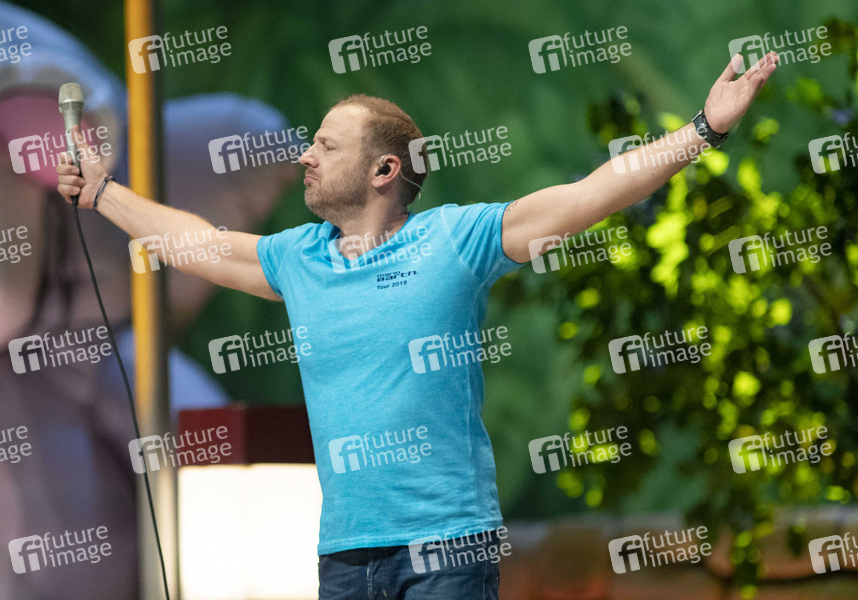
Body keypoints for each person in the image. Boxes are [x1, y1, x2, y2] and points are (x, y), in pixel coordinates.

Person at [57, 51, 778, 599]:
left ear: (383, 171)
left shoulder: (455, 240)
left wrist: (704, 128)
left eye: (327, 146)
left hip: (448, 551)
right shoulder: (297, 258)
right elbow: (199, 244)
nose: (306, 155)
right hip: (344, 555)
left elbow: (591, 195)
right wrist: (103, 192)